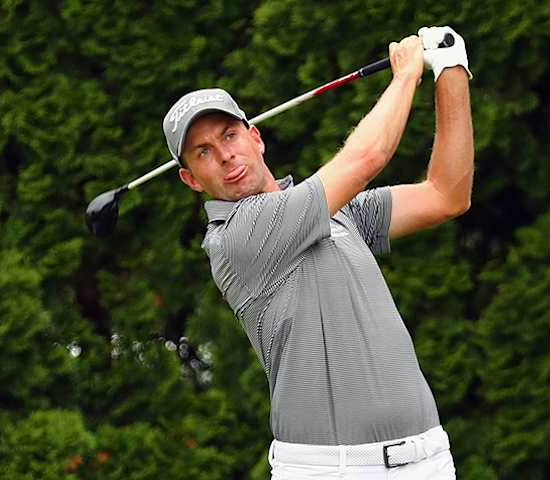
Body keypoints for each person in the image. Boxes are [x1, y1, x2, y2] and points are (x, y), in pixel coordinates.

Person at [163, 25, 473, 480]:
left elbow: (447, 194)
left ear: (256, 137)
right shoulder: (236, 236)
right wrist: (406, 74)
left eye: (229, 136)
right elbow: (365, 159)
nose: (225, 156)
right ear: (191, 179)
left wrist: (451, 70)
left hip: (428, 459)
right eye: (203, 152)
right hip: (335, 471)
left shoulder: (338, 212)